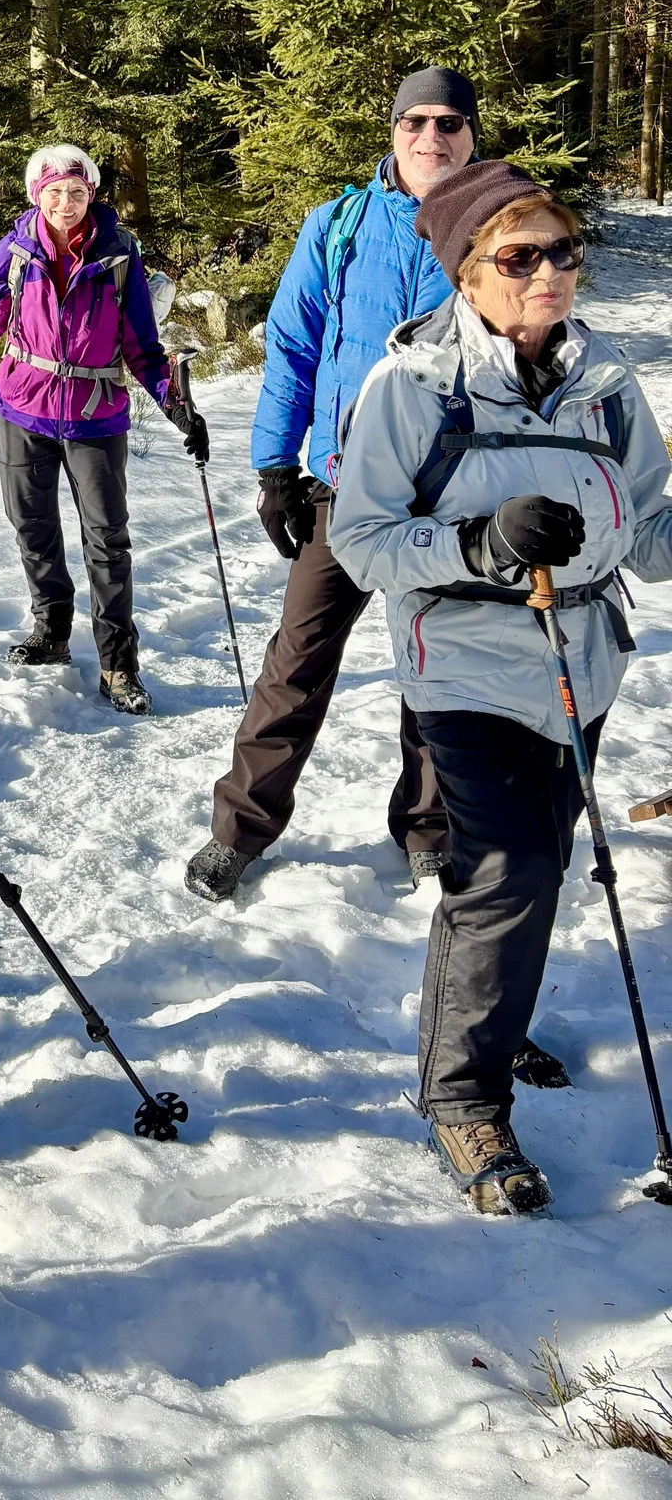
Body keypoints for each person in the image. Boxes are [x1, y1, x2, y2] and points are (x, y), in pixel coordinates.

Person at [329, 161, 672, 1214]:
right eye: (520, 257)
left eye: (565, 251)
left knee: (538, 867)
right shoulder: (412, 388)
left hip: (584, 662)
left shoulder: (604, 383)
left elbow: (651, 525)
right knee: (508, 871)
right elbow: (362, 540)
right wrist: (479, 540)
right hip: (468, 667)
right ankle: (461, 1097)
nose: (550, 274)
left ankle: (493, 1017)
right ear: (468, 273)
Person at [184, 69, 474, 902]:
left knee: (437, 665)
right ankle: (239, 829)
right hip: (346, 490)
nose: (431, 137)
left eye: (449, 122)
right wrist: (277, 466)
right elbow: (294, 349)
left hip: (455, 493)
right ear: (392, 130)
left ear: (471, 134)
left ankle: (429, 827)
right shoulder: (339, 224)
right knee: (298, 658)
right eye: (415, 120)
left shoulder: (498, 225)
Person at [0, 143, 203, 715]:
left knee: (108, 540)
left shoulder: (117, 255)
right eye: (54, 192)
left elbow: (142, 345)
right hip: (21, 409)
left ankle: (117, 662)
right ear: (37, 195)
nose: (66, 203)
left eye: (77, 192)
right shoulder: (16, 252)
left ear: (92, 195)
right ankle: (52, 631)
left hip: (96, 415)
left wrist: (176, 405)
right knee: (32, 527)